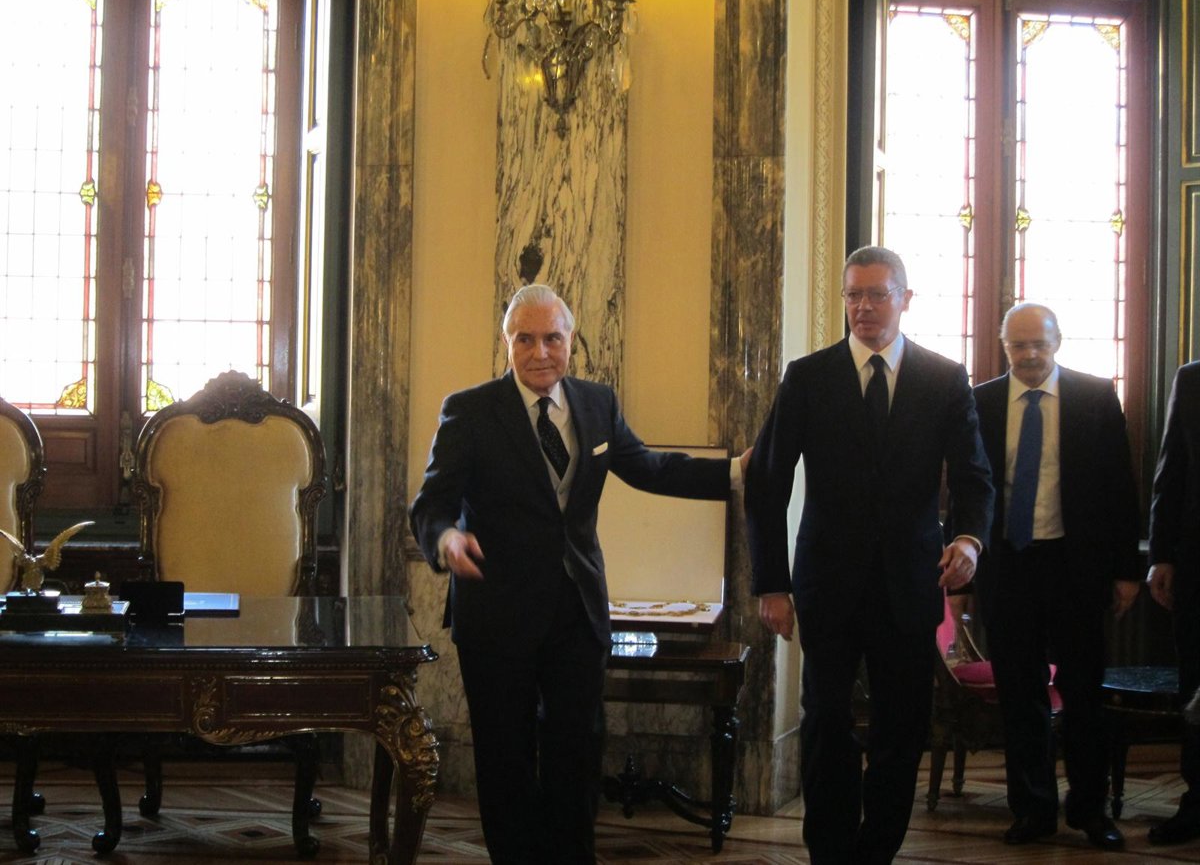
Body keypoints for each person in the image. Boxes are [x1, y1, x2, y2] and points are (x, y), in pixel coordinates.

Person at [409, 284, 747, 864]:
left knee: (578, 749)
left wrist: (736, 473)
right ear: (507, 343)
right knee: (506, 757)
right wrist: (445, 539)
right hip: (497, 614)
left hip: (578, 612)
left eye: (552, 338)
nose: (540, 352)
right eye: (525, 339)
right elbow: (431, 505)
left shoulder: (596, 403)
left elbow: (649, 468)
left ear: (572, 340)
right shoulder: (470, 411)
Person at [744, 245, 994, 863]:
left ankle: (876, 850)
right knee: (826, 721)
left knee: (901, 726)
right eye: (853, 295)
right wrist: (771, 583)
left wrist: (968, 538)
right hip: (827, 583)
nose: (863, 307)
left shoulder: (943, 379)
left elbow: (974, 477)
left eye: (877, 294)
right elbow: (767, 481)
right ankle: (829, 852)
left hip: (909, 583)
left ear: (905, 299)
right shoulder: (808, 377)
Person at [971, 303, 1139, 850]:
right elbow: (970, 488)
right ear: (1004, 347)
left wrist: (1127, 571)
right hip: (1009, 567)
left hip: (1076, 566)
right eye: (1018, 345)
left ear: (1057, 342)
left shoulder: (1095, 397)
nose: (1029, 355)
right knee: (1020, 695)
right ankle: (1033, 810)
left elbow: (1121, 488)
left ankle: (1090, 811)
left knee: (1084, 693)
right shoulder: (982, 402)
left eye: (1038, 344)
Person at [1146, 360, 1200, 845]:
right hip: (1196, 567)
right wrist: (1160, 555)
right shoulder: (1192, 379)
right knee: (1195, 689)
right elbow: (1171, 472)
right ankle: (1197, 800)